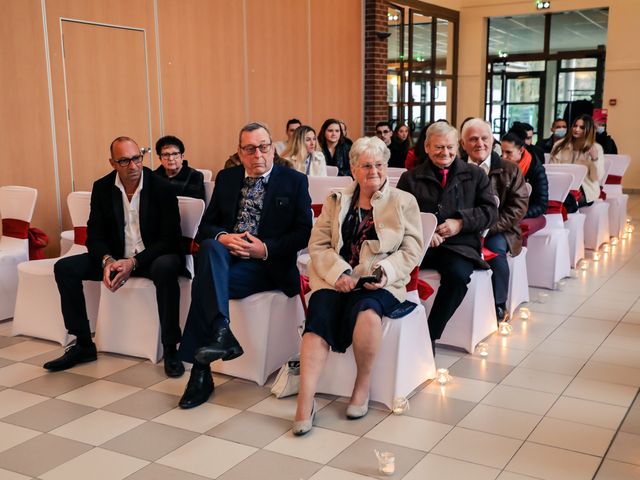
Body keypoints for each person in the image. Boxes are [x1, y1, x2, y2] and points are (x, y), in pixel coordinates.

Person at [293, 136, 423, 435]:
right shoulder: (336, 200)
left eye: (379, 164)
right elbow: (319, 244)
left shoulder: (404, 202)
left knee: (367, 312)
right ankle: (305, 399)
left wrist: (383, 272)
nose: (374, 171)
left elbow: (411, 250)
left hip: (380, 283)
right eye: (366, 165)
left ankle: (362, 386)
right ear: (353, 169)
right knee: (318, 315)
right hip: (336, 280)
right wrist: (339, 272)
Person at [177, 122, 312, 409]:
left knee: (205, 284)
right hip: (227, 260)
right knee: (212, 246)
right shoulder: (227, 178)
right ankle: (221, 332)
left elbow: (303, 232)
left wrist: (265, 248)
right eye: (250, 149)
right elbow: (206, 227)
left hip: (268, 266)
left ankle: (201, 372)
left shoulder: (294, 181)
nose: (258, 155)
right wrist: (224, 237)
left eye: (263, 147)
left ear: (273, 149)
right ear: (240, 152)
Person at [45, 137, 185, 377]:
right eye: (124, 161)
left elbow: (170, 239)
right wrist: (107, 261)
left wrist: (134, 262)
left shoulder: (161, 187)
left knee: (166, 267)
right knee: (65, 267)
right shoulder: (102, 188)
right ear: (112, 163)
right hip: (117, 258)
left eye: (136, 159)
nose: (133, 166)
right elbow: (94, 236)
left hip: (151, 258)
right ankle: (83, 344)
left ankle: (171, 347)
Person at [397, 122, 497, 352]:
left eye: (450, 147)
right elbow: (400, 215)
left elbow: (491, 212)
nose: (445, 153)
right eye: (439, 147)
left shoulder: (475, 175)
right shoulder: (410, 178)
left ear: (459, 147)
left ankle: (429, 335)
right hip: (421, 246)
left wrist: (460, 223)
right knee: (394, 271)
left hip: (458, 246)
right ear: (427, 146)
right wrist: (424, 233)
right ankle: (398, 332)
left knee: (458, 276)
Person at [461, 119, 528, 323]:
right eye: (473, 139)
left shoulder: (509, 169)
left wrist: (489, 228)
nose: (479, 143)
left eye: (484, 138)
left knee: (496, 252)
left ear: (493, 141)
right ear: (463, 144)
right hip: (464, 227)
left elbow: (518, 207)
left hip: (500, 229)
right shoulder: (458, 168)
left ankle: (499, 304)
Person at [550, 114, 605, 211]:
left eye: (582, 127)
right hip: (561, 186)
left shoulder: (596, 148)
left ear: (588, 130)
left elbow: (596, 177)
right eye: (575, 126)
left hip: (585, 190)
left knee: (565, 203)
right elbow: (551, 169)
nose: (577, 129)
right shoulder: (559, 145)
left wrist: (594, 158)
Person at [501, 131, 548, 238]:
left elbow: (541, 205)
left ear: (521, 150)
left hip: (526, 212)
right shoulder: (500, 165)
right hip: (506, 212)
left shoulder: (535, 169)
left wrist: (518, 214)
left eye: (508, 152)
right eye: (502, 152)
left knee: (516, 227)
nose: (503, 156)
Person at [153, 135, 205, 201]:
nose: (171, 158)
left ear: (182, 157)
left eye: (175, 154)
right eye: (166, 155)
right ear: (160, 159)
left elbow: (194, 205)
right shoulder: (153, 177)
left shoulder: (195, 176)